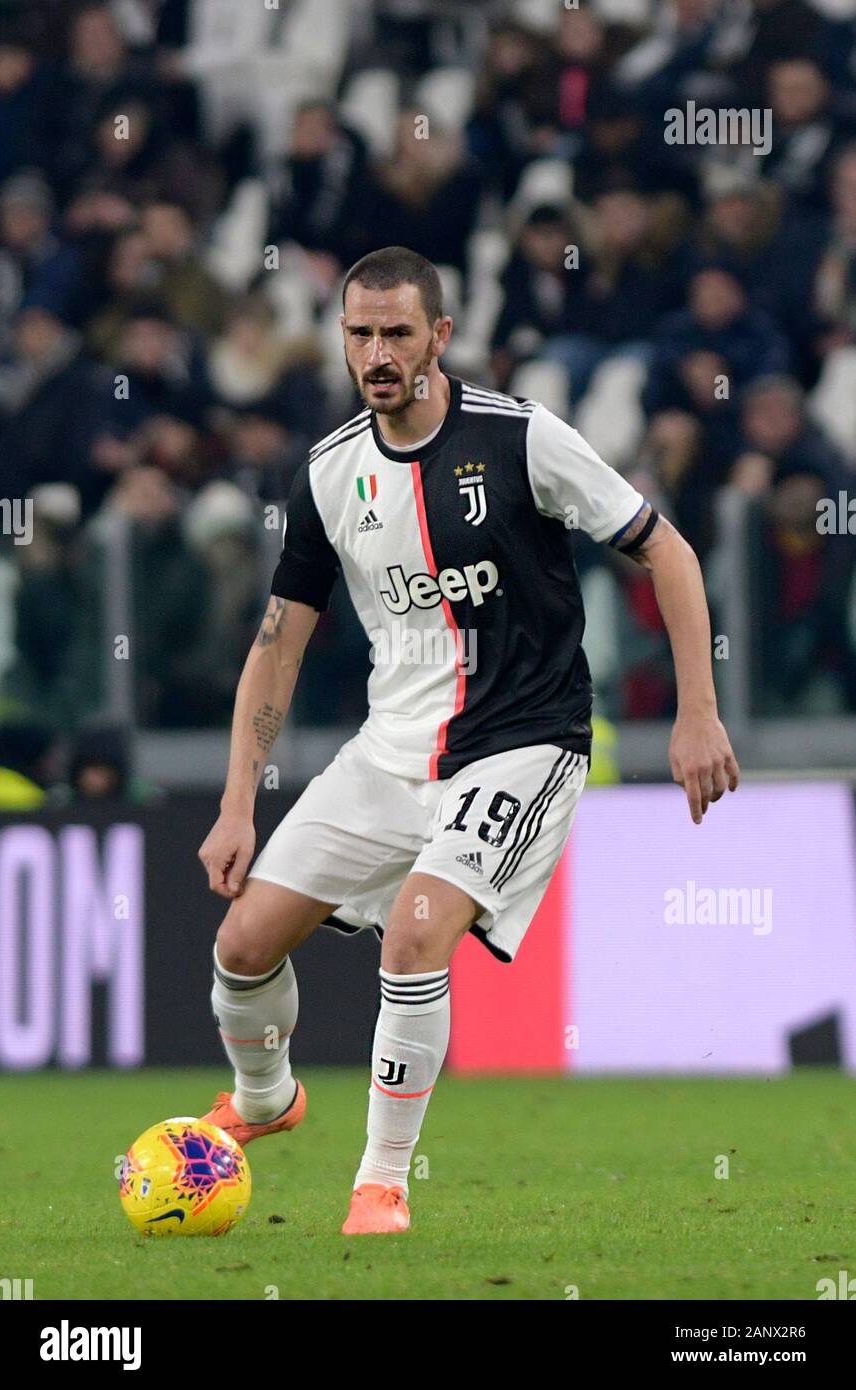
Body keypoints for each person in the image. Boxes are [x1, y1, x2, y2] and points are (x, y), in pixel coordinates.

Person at [196, 246, 740, 1235]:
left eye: (397, 332)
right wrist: (238, 803)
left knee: (410, 935)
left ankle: (381, 1182)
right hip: (387, 752)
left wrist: (696, 710)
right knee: (240, 944)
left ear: (439, 336)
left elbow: (664, 546)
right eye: (359, 333)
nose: (376, 352)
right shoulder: (328, 473)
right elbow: (275, 649)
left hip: (521, 741)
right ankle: (267, 1098)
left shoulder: (520, 438)